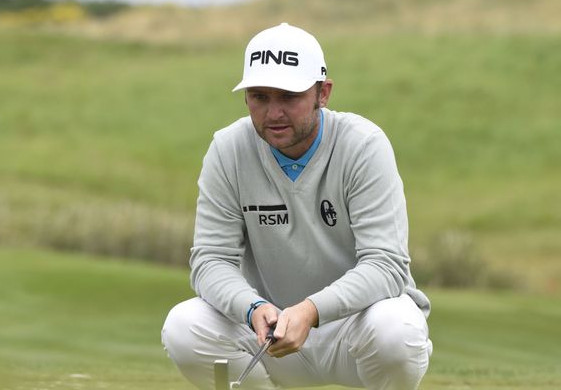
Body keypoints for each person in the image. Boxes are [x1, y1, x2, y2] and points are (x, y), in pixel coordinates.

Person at [162, 23, 432, 390]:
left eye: (289, 96)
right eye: (259, 96)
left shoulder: (363, 145)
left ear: (323, 92)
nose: (273, 113)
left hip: (354, 334)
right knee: (183, 325)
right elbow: (210, 261)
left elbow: (386, 265)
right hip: (268, 336)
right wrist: (252, 307)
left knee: (396, 329)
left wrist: (310, 310)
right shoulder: (228, 149)